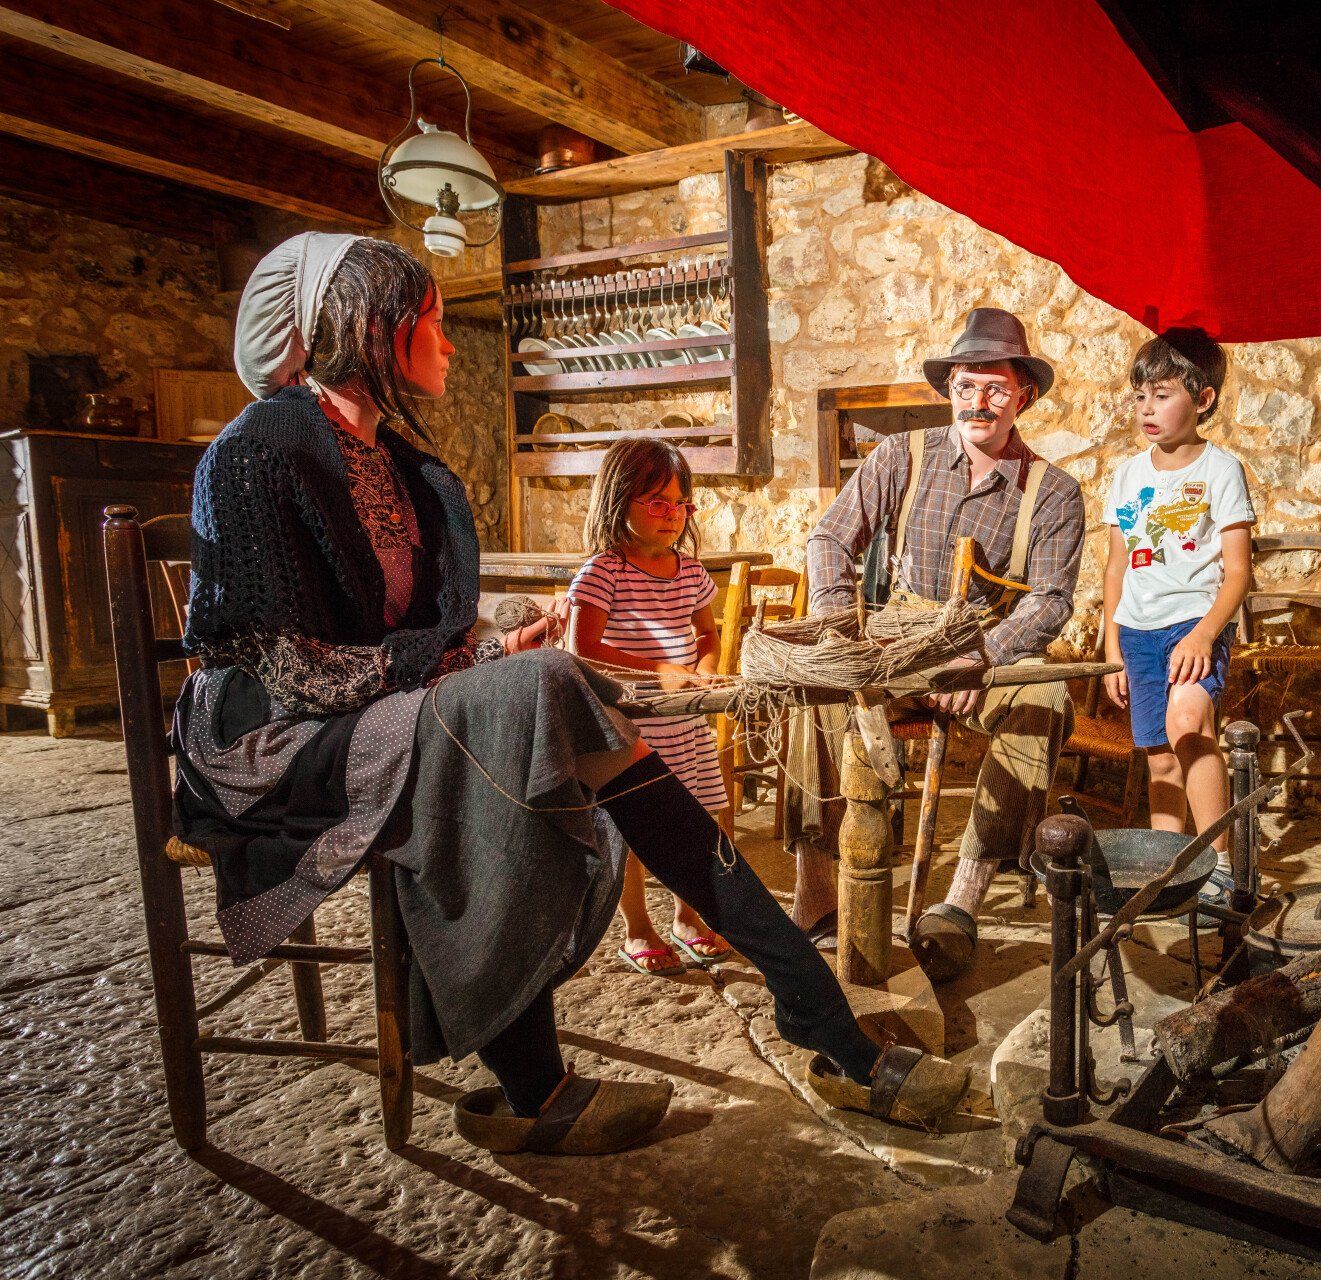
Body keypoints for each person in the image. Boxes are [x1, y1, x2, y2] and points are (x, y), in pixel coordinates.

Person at [174, 233, 970, 1157]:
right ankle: (554, 1081)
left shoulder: (400, 465)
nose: (450, 343)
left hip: (375, 711)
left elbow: (415, 643)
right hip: (274, 739)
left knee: (555, 697)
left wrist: (488, 655)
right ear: (372, 325)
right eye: (433, 321)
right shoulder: (255, 450)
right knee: (541, 694)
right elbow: (293, 670)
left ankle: (812, 1015)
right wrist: (482, 669)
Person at [790, 307, 1085, 982]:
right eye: (965, 386)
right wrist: (838, 625)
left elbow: (1050, 600)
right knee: (816, 689)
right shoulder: (902, 456)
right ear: (949, 389)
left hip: (982, 645)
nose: (978, 401)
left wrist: (982, 656)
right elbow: (829, 537)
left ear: (1023, 396)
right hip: (897, 638)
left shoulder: (1054, 492)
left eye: (996, 388)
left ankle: (961, 901)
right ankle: (817, 888)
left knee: (1043, 698)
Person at [566, 439, 734, 975]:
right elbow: (582, 647)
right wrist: (659, 669)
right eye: (658, 502)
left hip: (684, 724)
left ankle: (688, 916)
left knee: (699, 819)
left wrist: (705, 670)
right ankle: (637, 927)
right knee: (632, 833)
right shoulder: (603, 572)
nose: (673, 515)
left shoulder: (690, 572)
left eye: (682, 504)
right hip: (627, 730)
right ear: (619, 500)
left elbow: (707, 634)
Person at [1100, 329, 1252, 881]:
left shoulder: (1220, 470)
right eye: (1140, 396)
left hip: (1193, 624)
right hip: (1136, 633)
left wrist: (1204, 634)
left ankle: (1221, 868)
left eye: (1162, 395)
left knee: (1188, 723)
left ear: (1203, 399)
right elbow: (1116, 567)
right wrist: (1112, 650)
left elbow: (1239, 574)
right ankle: (1167, 871)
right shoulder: (1127, 475)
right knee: (1160, 756)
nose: (1147, 408)